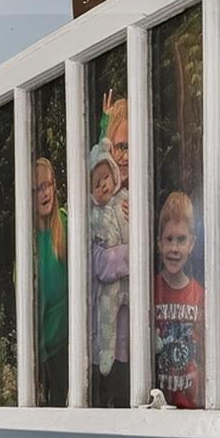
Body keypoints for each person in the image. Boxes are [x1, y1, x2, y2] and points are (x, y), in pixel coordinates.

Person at [151, 190, 204, 407]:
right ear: (159, 243)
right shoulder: (149, 290)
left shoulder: (199, 294)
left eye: (181, 240)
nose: (174, 248)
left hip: (192, 408)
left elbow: (203, 354)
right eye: (169, 239)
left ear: (192, 244)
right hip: (155, 405)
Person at [87, 140, 129, 407]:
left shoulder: (128, 202)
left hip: (135, 346)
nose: (103, 185)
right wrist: (130, 253)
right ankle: (105, 350)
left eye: (106, 178)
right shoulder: (93, 215)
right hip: (110, 347)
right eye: (96, 183)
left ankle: (153, 336)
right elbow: (102, 265)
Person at [30, 153, 68, 405]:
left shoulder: (65, 223)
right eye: (37, 188)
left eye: (48, 185)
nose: (45, 193)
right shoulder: (28, 241)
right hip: (42, 345)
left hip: (67, 341)